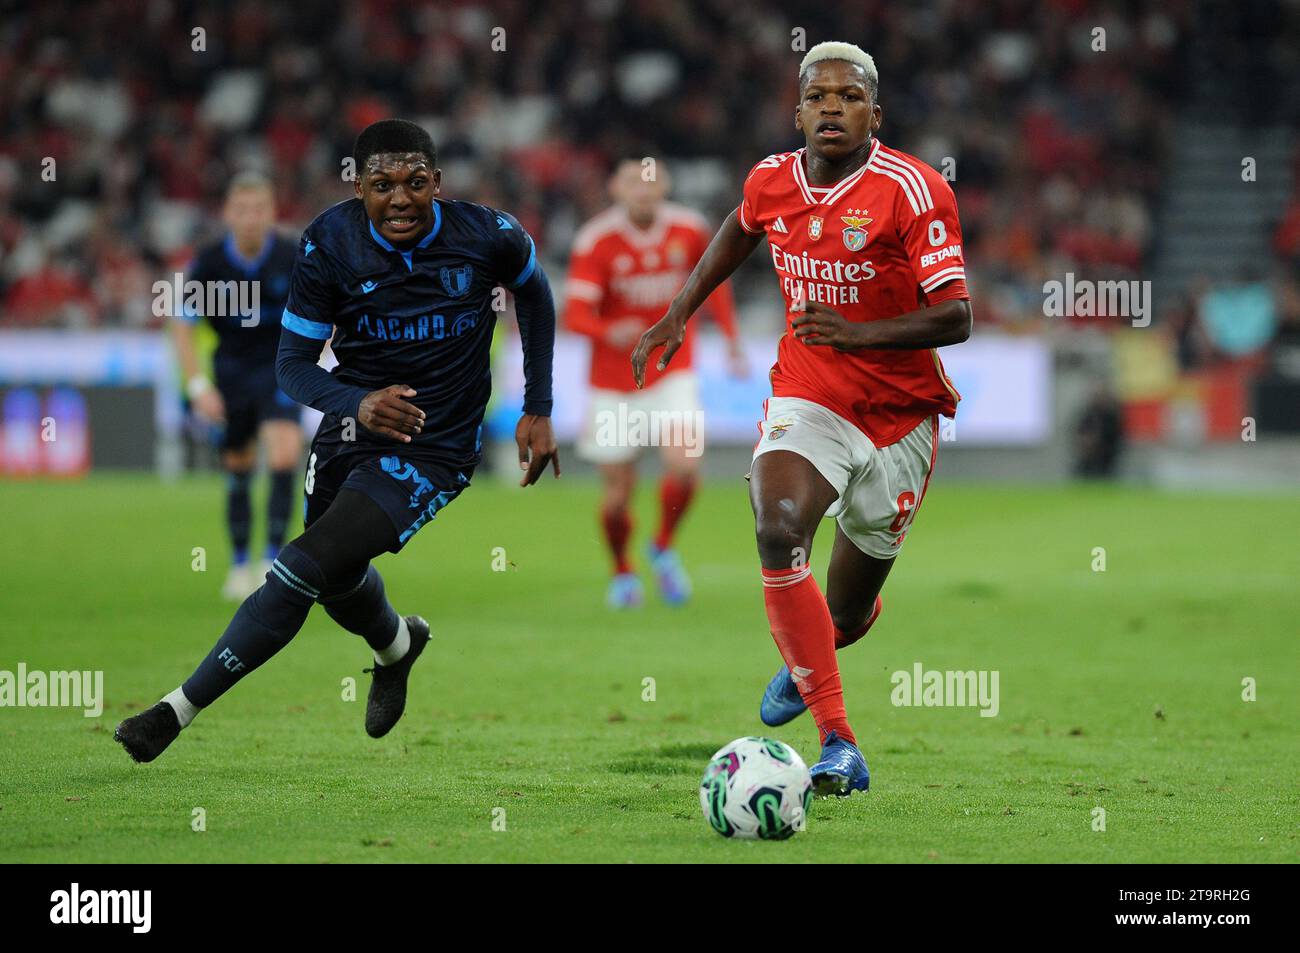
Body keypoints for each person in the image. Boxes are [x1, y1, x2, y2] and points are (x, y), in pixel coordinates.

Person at [115, 119, 559, 762]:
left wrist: (538, 406)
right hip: (350, 428)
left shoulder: (488, 234)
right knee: (333, 576)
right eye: (382, 184)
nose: (400, 198)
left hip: (435, 449)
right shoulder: (329, 242)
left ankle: (173, 711)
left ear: (437, 182)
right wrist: (358, 403)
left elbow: (536, 295)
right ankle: (398, 648)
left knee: (300, 563)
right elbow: (292, 365)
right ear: (359, 188)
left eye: (414, 182)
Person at [633, 43, 972, 796]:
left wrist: (858, 334)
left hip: (900, 418)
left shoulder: (912, 191)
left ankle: (804, 663)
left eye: (849, 97)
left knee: (845, 611)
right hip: (809, 395)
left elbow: (956, 316)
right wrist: (677, 312)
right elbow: (740, 226)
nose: (831, 107)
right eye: (817, 96)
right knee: (778, 528)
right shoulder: (772, 180)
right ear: (797, 113)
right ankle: (839, 742)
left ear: (874, 114)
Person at [564, 155, 744, 608]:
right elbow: (575, 313)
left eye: (651, 183)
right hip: (613, 384)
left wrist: (732, 340)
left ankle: (662, 545)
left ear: (663, 187)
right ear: (617, 191)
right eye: (633, 184)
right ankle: (623, 570)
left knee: (685, 466)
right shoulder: (596, 241)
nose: (643, 192)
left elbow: (714, 284)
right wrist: (608, 331)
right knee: (618, 494)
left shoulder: (689, 228)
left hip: (671, 370)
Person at [172, 172, 302, 599]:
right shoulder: (209, 263)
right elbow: (183, 326)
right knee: (239, 465)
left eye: (259, 209)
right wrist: (197, 385)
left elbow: (327, 311)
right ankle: (241, 562)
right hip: (230, 373)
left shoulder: (291, 255)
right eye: (242, 209)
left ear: (272, 213)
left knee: (284, 452)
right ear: (228, 213)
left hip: (280, 368)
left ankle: (273, 560)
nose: (250, 218)